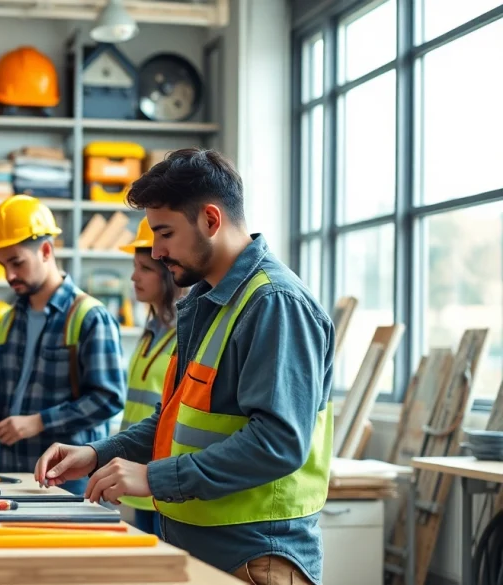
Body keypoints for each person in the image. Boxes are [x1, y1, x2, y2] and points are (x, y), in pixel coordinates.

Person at [34, 149, 334, 585]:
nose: (156, 251)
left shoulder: (274, 303)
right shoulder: (207, 302)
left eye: (165, 233)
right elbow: (173, 422)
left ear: (211, 220)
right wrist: (98, 453)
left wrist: (153, 478)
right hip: (200, 549)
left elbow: (278, 442)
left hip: (256, 557)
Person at [0, 194, 126, 496]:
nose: (9, 275)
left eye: (17, 262)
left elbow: (108, 398)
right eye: (2, 264)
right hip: (13, 471)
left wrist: (39, 422)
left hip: (69, 479)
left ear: (45, 250)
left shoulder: (89, 317)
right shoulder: (8, 321)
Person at [117, 216, 182, 536]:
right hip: (137, 474)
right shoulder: (150, 331)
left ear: (168, 273)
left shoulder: (187, 333)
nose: (134, 276)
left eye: (145, 268)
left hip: (162, 479)